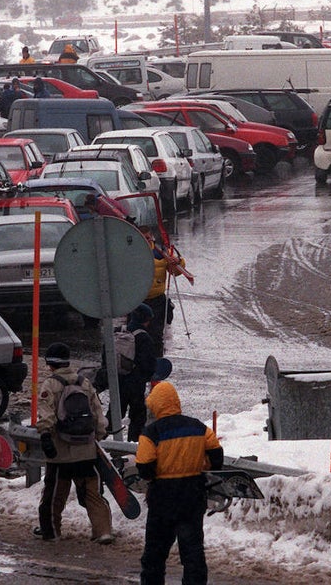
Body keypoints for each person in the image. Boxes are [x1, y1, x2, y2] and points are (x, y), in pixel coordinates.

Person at [136, 380, 224, 585]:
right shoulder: (198, 427)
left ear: (157, 404)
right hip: (192, 495)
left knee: (155, 554)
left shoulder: (151, 433)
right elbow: (216, 455)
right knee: (193, 552)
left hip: (162, 499)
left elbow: (145, 467)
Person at [34, 342, 113, 544]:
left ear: (50, 363)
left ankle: (51, 532)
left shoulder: (50, 385)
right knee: (92, 493)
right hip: (86, 451)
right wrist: (98, 436)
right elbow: (97, 415)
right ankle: (103, 531)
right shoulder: (84, 383)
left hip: (60, 453)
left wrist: (45, 437)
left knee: (54, 495)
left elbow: (46, 416)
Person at [139, 225, 194, 354]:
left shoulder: (161, 253)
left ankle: (157, 362)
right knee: (136, 335)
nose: (146, 241)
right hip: (136, 302)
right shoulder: (129, 253)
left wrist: (177, 262)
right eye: (142, 238)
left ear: (151, 237)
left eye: (148, 238)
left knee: (156, 335)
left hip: (156, 301)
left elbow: (174, 272)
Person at [110, 304, 159, 442]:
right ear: (145, 320)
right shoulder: (144, 337)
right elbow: (149, 364)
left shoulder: (117, 332)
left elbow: (106, 355)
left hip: (117, 381)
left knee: (114, 413)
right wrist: (145, 377)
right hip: (136, 384)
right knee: (138, 416)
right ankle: (133, 445)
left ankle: (103, 442)